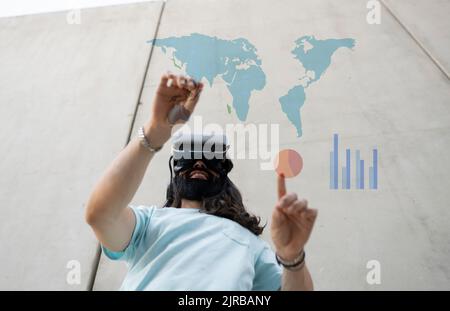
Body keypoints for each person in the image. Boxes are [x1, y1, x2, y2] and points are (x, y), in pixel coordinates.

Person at [85, 72, 318, 290]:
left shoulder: (250, 244)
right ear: (175, 176)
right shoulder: (148, 225)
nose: (198, 163)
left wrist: (292, 257)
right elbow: (100, 214)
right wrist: (155, 132)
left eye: (210, 159)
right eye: (188, 158)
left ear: (224, 177)